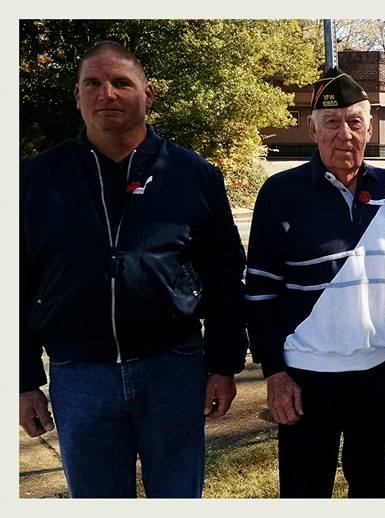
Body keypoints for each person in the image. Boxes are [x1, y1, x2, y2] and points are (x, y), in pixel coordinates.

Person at [19, 40, 248, 498]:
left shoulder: (193, 174)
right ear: (78, 96)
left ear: (148, 94)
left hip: (173, 369)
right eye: (93, 83)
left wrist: (223, 365)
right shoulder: (36, 179)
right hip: (79, 374)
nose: (108, 93)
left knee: (178, 496)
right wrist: (23, 381)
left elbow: (225, 277)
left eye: (121, 82)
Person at [244, 66, 385, 498]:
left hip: (378, 375)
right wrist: (275, 374)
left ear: (369, 127)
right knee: (306, 491)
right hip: (307, 377)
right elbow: (260, 293)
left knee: (370, 484)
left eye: (354, 122)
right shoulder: (279, 193)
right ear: (312, 128)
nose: (344, 133)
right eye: (331, 122)